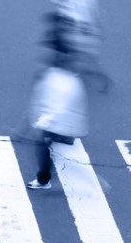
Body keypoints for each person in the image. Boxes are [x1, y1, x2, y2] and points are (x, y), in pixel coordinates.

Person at [26, 53, 88, 190]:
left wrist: (43, 121)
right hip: (66, 122)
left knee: (41, 147)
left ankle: (44, 180)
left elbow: (58, 108)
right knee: (47, 142)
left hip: (57, 121)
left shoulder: (59, 81)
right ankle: (62, 138)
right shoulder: (72, 80)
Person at [51, 0, 113, 92]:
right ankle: (99, 77)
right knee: (82, 55)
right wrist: (98, 30)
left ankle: (70, 74)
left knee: (69, 52)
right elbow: (94, 13)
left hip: (71, 27)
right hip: (87, 30)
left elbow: (63, 9)